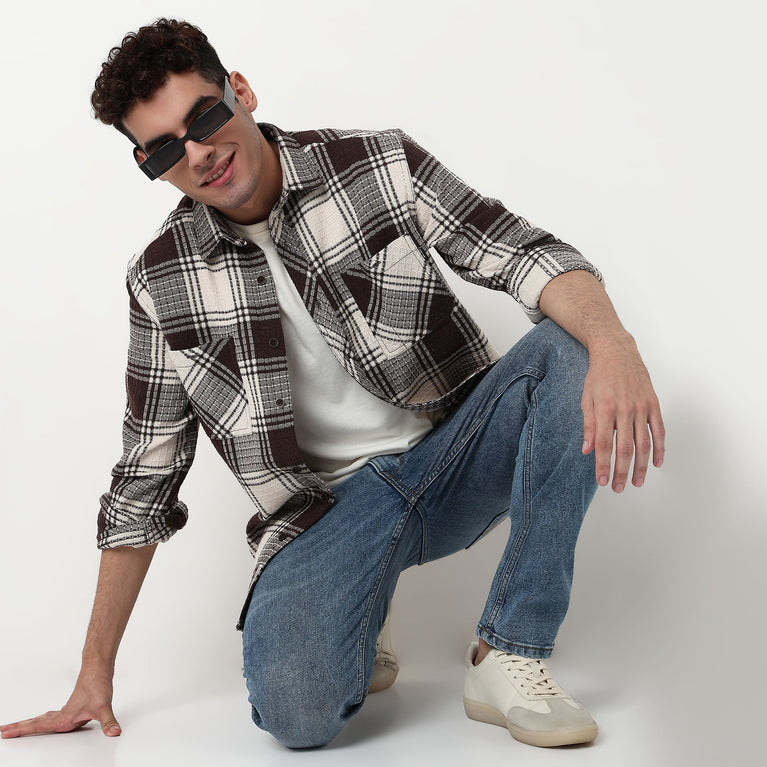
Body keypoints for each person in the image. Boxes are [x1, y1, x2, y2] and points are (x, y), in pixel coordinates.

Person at [0, 18, 664, 750]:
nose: (197, 154)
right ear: (148, 163)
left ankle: (509, 650)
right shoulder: (161, 280)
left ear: (241, 91)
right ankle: (359, 611)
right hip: (327, 516)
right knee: (296, 716)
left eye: (206, 118)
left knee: (570, 348)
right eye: (163, 149)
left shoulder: (376, 162)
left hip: (453, 457)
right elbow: (145, 478)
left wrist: (616, 344)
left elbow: (523, 254)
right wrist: (94, 673)